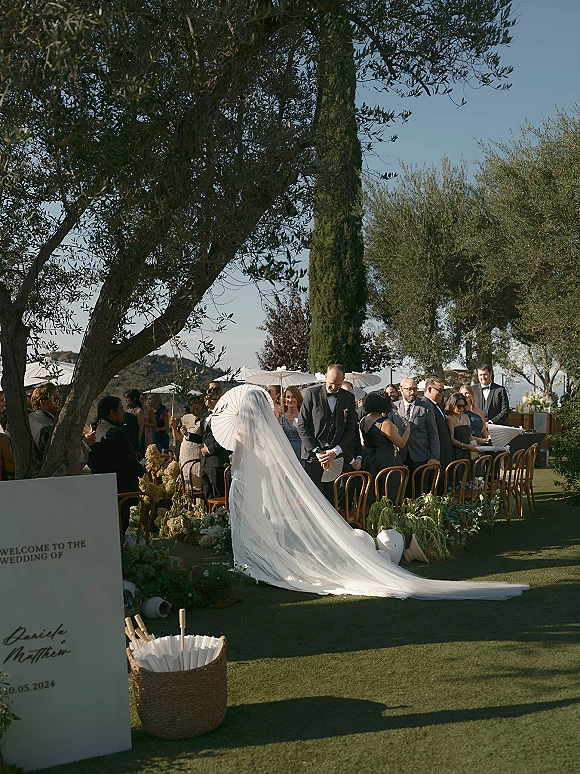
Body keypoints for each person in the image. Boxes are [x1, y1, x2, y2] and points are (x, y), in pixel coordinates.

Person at [228, 388, 528, 600]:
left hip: (251, 486)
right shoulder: (265, 435)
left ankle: (254, 560)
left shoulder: (245, 435)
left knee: (255, 522)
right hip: (379, 464)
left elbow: (240, 464)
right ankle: (257, 559)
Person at [297, 364, 357, 502]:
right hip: (313, 457)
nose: (333, 387)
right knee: (313, 499)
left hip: (335, 458)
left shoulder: (348, 398)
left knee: (332, 499)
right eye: (330, 383)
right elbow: (302, 425)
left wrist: (335, 451)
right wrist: (317, 451)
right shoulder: (312, 394)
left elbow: (350, 429)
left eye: (338, 384)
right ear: (325, 377)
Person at [88, 396, 144, 534]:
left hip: (101, 488)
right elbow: (129, 464)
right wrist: (141, 468)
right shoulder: (118, 434)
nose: (124, 412)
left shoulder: (95, 429)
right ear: (112, 412)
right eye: (121, 409)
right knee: (119, 529)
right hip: (120, 490)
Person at [360, 392, 410, 505]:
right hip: (384, 460)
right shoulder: (385, 423)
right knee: (387, 490)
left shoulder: (363, 420)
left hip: (368, 458)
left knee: (372, 490)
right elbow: (401, 443)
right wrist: (408, 430)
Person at [393, 378, 439, 476]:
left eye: (415, 389)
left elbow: (433, 432)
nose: (412, 392)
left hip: (421, 456)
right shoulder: (394, 408)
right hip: (401, 456)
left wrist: (435, 456)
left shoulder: (426, 407)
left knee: (421, 488)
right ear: (401, 389)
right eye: (409, 389)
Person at [422, 375, 454, 479]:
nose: (442, 394)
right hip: (434, 457)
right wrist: (434, 456)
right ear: (430, 389)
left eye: (443, 391)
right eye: (439, 391)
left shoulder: (437, 405)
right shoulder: (424, 405)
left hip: (444, 455)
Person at [28, 383, 61, 460]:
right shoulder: (46, 424)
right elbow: (56, 455)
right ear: (42, 403)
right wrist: (86, 444)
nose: (59, 402)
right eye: (56, 400)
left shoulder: (31, 417)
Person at [445, 393, 480, 461]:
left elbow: (470, 435)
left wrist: (475, 445)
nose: (461, 408)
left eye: (463, 406)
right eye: (459, 406)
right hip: (456, 453)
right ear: (452, 405)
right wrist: (467, 446)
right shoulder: (450, 419)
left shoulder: (465, 416)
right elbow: (451, 439)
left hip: (467, 452)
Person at [278, 386, 303, 461]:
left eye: (293, 397)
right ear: (284, 399)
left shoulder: (303, 415)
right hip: (287, 452)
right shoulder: (281, 415)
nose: (290, 400)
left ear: (298, 398)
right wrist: (279, 417)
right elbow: (278, 434)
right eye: (288, 397)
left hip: (302, 451)